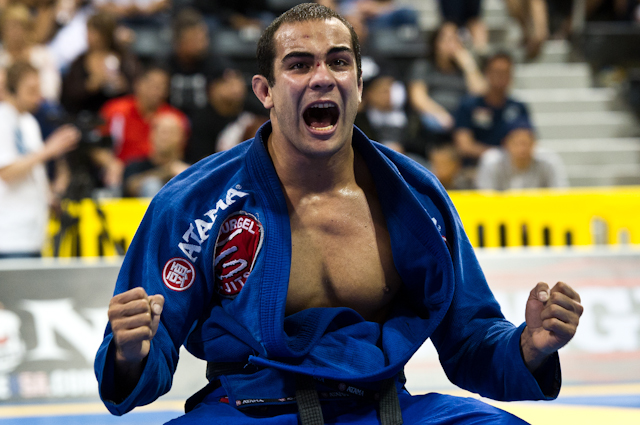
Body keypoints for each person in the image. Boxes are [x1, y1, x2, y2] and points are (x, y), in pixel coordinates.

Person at [95, 4, 583, 424]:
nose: (323, 77)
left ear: (359, 84)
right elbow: (147, 351)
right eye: (299, 64)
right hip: (250, 410)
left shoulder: (415, 196)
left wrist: (530, 346)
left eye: (339, 61)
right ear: (265, 91)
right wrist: (129, 352)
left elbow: (471, 339)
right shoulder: (193, 203)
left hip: (381, 409)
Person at [0, 62, 79, 258]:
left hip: (34, 233)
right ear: (12, 89)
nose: (38, 97)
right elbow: (6, 172)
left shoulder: (29, 122)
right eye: (31, 90)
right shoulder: (3, 119)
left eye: (39, 89)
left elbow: (34, 170)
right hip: (9, 234)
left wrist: (51, 194)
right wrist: (49, 149)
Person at [95, 64, 186, 190]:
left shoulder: (173, 117)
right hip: (123, 172)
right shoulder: (115, 110)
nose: (158, 91)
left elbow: (180, 152)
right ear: (138, 84)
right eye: (153, 85)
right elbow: (95, 145)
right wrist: (110, 163)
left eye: (163, 86)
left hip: (159, 170)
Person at [407, 21, 486, 156]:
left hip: (461, 116)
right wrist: (440, 114)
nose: (452, 44)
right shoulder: (424, 66)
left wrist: (468, 65)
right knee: (435, 124)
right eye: (447, 39)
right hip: (435, 115)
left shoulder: (463, 68)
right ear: (436, 43)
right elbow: (418, 98)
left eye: (456, 39)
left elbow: (481, 94)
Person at [453, 52, 530, 163]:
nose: (501, 76)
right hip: (474, 167)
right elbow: (464, 146)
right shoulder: (468, 105)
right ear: (486, 73)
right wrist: (498, 155)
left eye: (506, 72)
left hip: (510, 168)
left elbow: (526, 140)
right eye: (497, 72)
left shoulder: (518, 107)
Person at [61, 11, 140, 117]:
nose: (88, 36)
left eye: (93, 33)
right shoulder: (79, 61)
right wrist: (90, 86)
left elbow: (138, 89)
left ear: (105, 34)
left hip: (118, 115)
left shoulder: (126, 59)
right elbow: (68, 95)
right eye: (88, 31)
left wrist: (124, 86)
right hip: (87, 115)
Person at [186, 67, 267, 163]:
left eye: (238, 79)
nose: (235, 87)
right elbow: (202, 160)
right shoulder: (202, 120)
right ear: (212, 88)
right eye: (228, 82)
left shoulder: (257, 108)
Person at [475, 118, 568, 190]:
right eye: (516, 143)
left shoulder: (549, 161)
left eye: (526, 143)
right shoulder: (492, 162)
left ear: (535, 143)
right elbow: (485, 197)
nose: (522, 149)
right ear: (505, 144)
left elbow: (561, 194)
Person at [123, 111, 189, 197]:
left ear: (182, 138)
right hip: (144, 204)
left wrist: (188, 176)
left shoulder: (190, 168)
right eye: (162, 132)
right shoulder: (134, 166)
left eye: (171, 132)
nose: (165, 137)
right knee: (152, 185)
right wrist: (167, 171)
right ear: (151, 135)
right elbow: (131, 186)